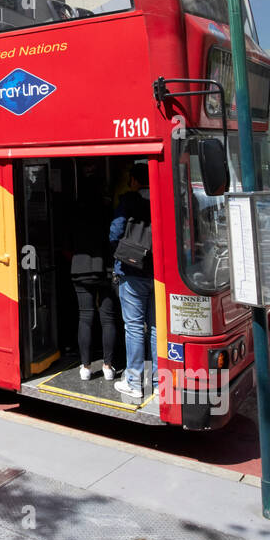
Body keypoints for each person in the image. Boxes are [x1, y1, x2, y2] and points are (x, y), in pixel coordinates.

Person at [110, 163, 155, 400]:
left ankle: (134, 382)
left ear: (135, 181)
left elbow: (115, 232)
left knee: (134, 327)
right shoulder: (160, 197)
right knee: (156, 328)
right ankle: (158, 382)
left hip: (132, 269)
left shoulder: (128, 201)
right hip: (157, 273)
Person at [72, 163, 119, 382]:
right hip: (106, 270)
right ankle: (108, 367)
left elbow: (68, 241)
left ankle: (85, 367)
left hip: (80, 269)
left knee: (85, 317)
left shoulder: (76, 211)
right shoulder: (108, 210)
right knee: (108, 319)